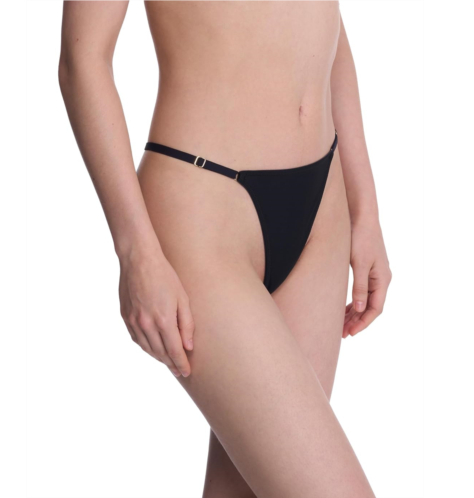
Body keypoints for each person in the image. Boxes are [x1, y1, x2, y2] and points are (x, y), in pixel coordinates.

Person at [59, 1, 392, 496]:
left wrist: (366, 208)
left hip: (323, 209)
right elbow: (82, 60)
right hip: (205, 212)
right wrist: (135, 253)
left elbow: (327, 25)